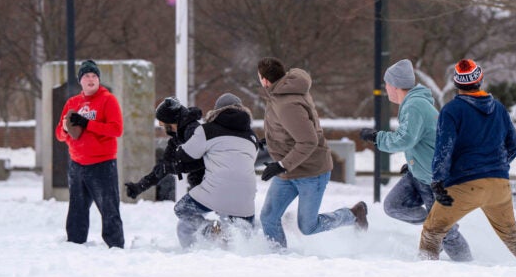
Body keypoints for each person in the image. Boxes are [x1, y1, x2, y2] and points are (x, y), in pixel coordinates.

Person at [419, 59, 516, 263]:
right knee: (512, 236)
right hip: (499, 186)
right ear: (480, 80)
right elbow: (514, 145)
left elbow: (444, 148)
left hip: (464, 185)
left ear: (457, 84)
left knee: (432, 231)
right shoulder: (499, 108)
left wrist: (438, 180)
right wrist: (497, 167)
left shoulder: (451, 110)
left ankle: (425, 275)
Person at [360, 59, 472, 261]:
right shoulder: (413, 103)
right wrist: (413, 161)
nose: (385, 89)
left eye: (387, 84)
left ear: (395, 85)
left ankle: (468, 264)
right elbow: (420, 139)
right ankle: (435, 223)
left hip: (434, 179)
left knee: (445, 231)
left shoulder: (415, 105)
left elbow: (404, 139)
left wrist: (377, 138)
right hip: (419, 172)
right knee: (394, 206)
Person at [257, 57, 368, 249]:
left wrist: (280, 165)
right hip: (288, 170)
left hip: (311, 172)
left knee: (308, 226)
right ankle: (277, 258)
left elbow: (308, 140)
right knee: (268, 217)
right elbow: (292, 128)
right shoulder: (282, 92)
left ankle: (353, 215)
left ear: (265, 80)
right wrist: (271, 139)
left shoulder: (287, 103)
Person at [170, 93, 260, 248]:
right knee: (243, 233)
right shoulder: (252, 137)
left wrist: (177, 149)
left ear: (216, 111)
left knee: (182, 209)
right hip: (246, 197)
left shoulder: (207, 130)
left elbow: (186, 155)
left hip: (216, 190)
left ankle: (210, 230)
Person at [55, 60, 125, 248]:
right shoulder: (73, 103)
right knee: (77, 208)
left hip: (102, 163)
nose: (91, 79)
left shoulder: (108, 100)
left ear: (99, 80)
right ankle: (74, 243)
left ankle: (115, 246)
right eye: (86, 76)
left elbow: (116, 129)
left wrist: (87, 123)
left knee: (108, 207)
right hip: (77, 164)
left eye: (94, 76)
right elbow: (59, 135)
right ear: (80, 81)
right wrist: (64, 130)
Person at [124, 97, 204, 201]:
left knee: (184, 211)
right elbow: (163, 166)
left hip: (217, 183)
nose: (161, 125)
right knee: (185, 211)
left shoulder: (193, 131)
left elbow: (205, 159)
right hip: (205, 185)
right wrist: (140, 186)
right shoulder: (178, 137)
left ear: (170, 121)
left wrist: (179, 167)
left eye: (162, 122)